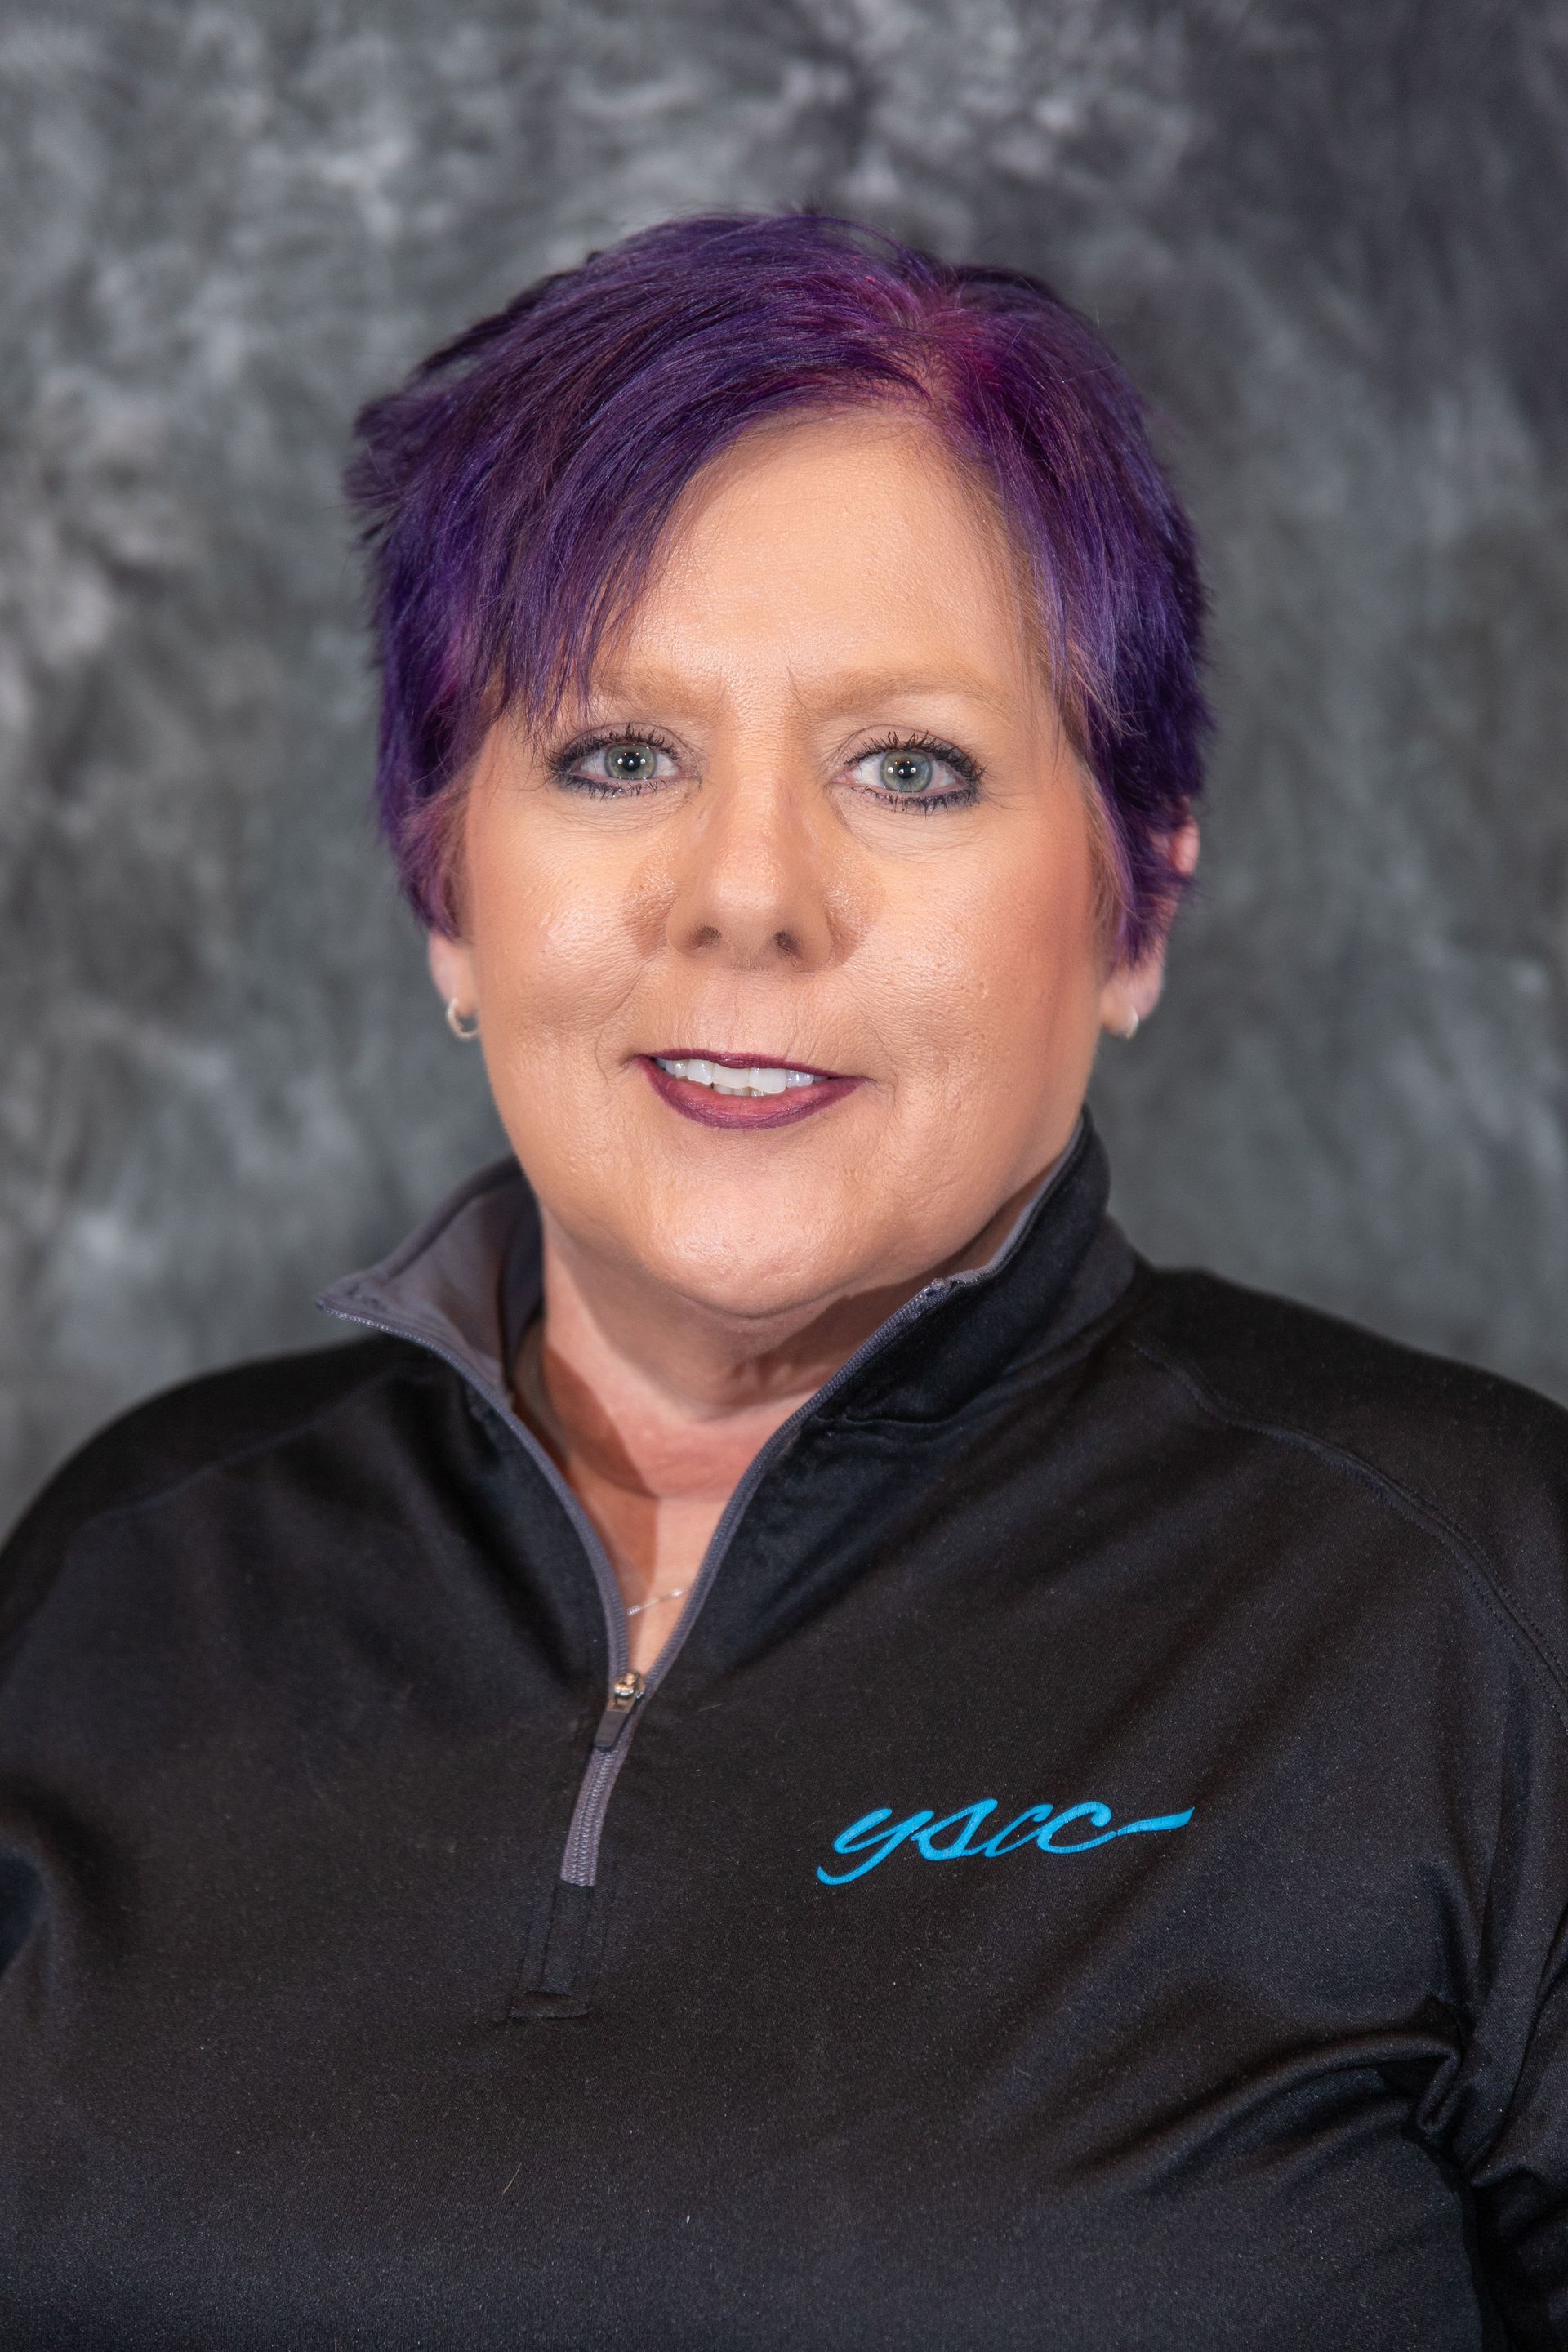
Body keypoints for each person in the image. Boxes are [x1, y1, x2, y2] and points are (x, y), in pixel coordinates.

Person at [1, 211, 1564, 2352]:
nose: (747, 895)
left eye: (906, 768)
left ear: (1135, 908)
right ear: (448, 894)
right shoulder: (126, 1573)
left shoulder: (1472, 1612)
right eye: (617, 757)